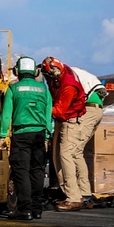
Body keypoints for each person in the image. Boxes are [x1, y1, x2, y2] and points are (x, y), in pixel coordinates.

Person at [41, 57, 101, 210]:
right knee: (76, 153)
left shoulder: (69, 85)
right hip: (90, 108)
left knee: (66, 154)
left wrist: (38, 109)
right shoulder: (62, 72)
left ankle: (73, 197)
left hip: (80, 113)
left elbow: (60, 111)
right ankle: (84, 193)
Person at [0, 56, 53, 220]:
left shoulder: (13, 89)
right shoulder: (43, 89)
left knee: (21, 172)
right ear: (35, 72)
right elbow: (48, 113)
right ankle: (37, 209)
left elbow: (6, 115)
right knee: (37, 171)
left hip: (21, 134)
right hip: (39, 134)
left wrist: (1, 135)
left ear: (17, 71)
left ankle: (25, 209)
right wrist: (47, 135)